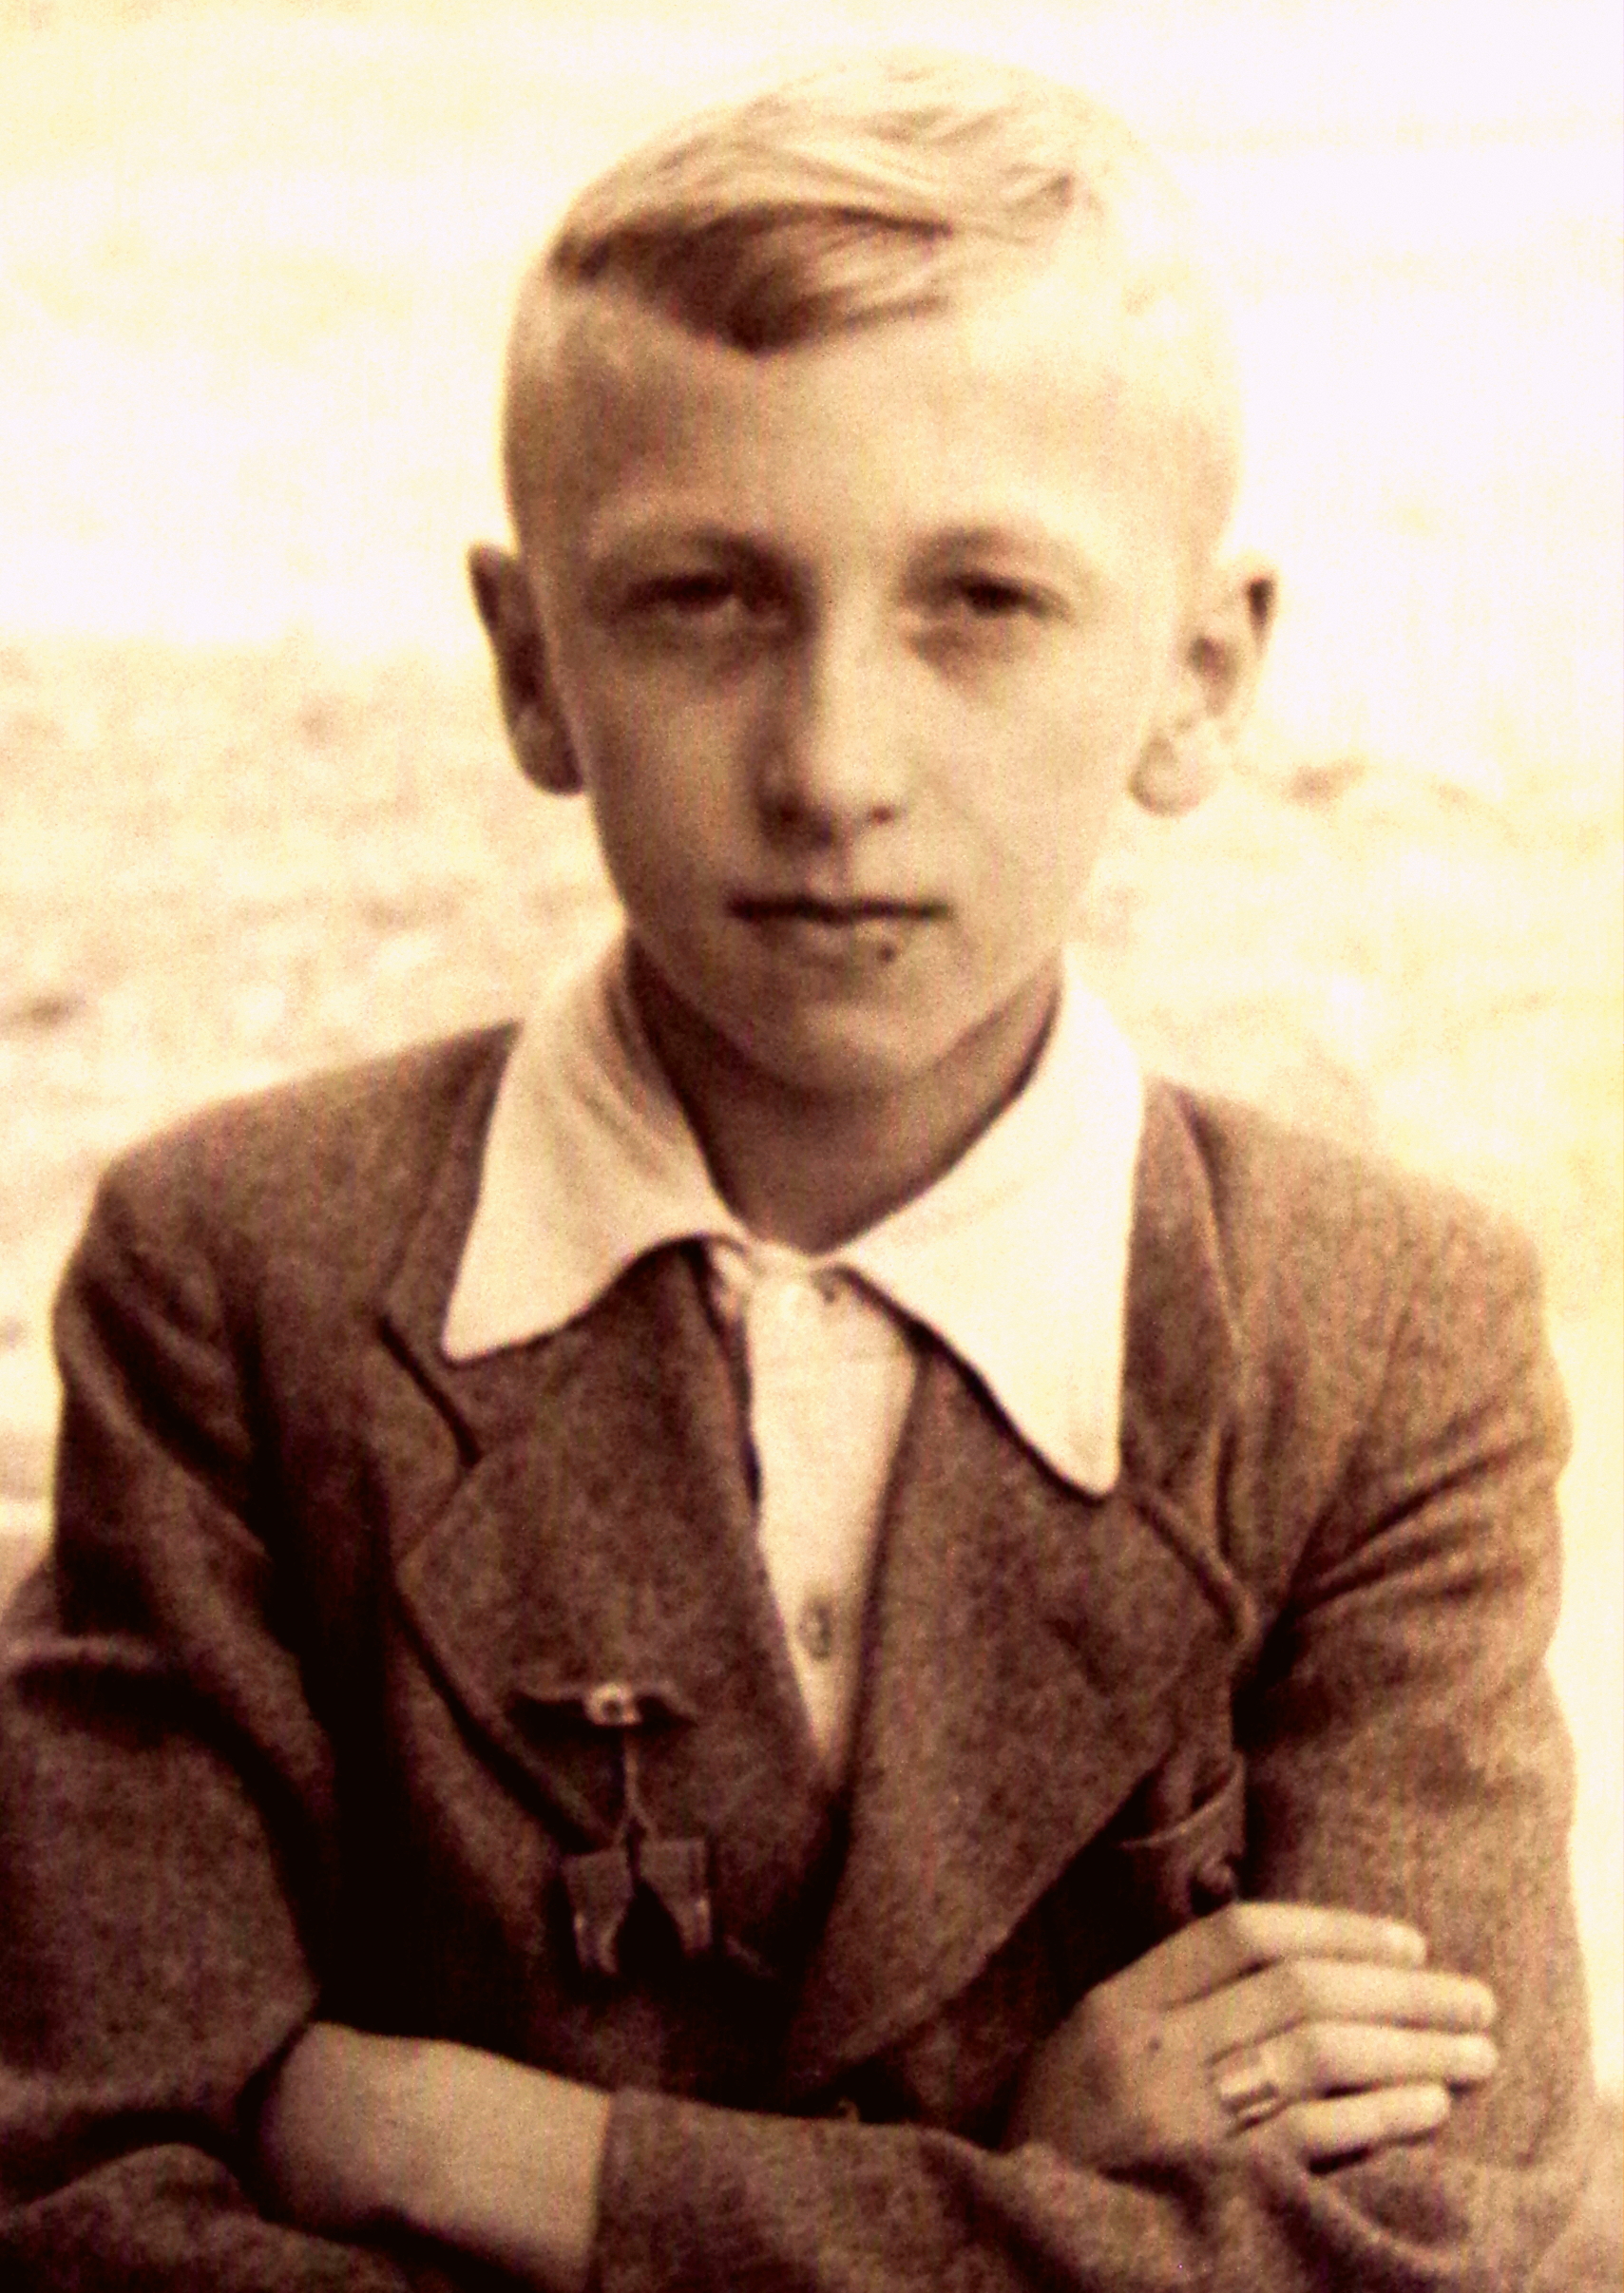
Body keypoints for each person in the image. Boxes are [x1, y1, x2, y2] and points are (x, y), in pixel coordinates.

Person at [0, 48, 1597, 2292]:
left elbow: (1424, 2251)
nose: (835, 765)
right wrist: (1017, 2179)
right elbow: (84, 2211)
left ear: (1199, 676)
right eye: (707, 599)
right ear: (530, 666)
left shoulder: (1377, 1338)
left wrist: (532, 2168)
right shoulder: (245, 1283)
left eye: (982, 604)